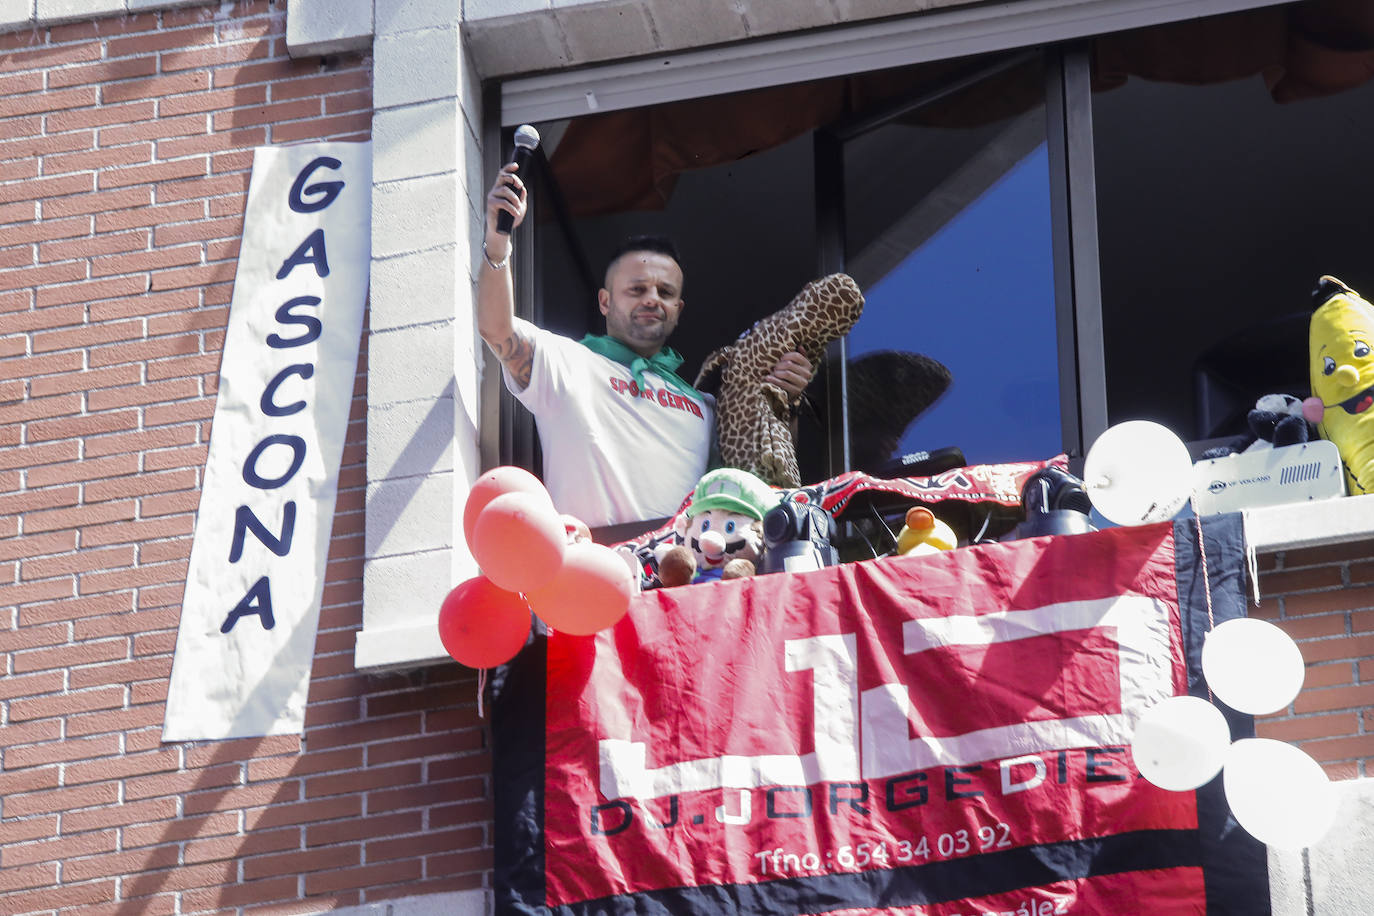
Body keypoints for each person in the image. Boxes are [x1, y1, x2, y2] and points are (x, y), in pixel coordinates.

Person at [477, 161, 814, 529]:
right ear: (605, 302)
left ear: (678, 310)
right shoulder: (566, 362)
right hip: (594, 558)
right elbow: (497, 330)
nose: (652, 299)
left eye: (665, 292)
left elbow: (759, 473)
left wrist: (786, 399)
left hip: (686, 560)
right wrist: (498, 242)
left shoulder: (707, 405)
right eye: (637, 289)